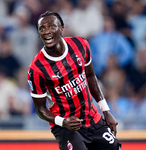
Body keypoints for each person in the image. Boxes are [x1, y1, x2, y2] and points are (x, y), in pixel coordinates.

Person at [27, 11, 121, 150]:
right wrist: (63, 122)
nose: (46, 31)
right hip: (66, 126)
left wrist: (106, 111)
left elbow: (90, 77)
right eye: (42, 29)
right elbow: (40, 109)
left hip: (91, 118)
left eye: (51, 26)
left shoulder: (81, 45)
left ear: (61, 28)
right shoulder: (36, 69)